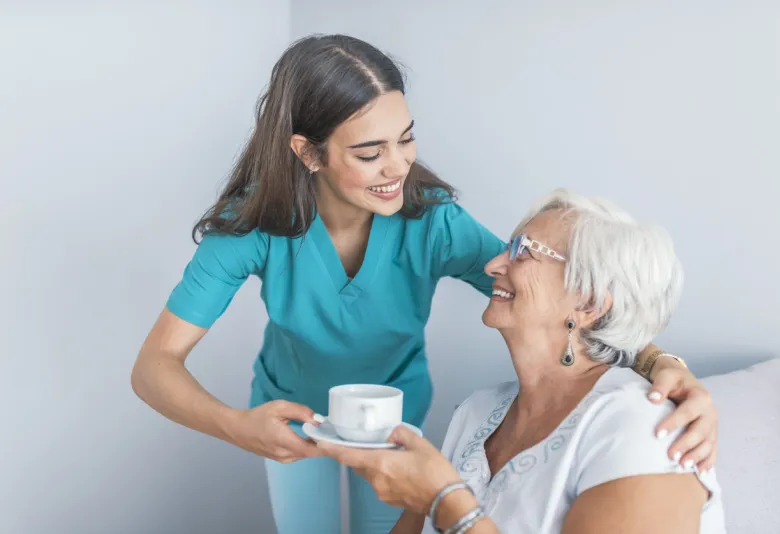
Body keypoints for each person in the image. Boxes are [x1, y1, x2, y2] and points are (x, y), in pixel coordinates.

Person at [130, 35, 719, 534]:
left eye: (405, 138)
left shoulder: (432, 221)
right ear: (308, 153)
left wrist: (660, 359)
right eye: (370, 152)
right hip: (290, 410)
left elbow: (559, 292)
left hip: (394, 412)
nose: (398, 166)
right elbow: (155, 366)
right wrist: (237, 426)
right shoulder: (253, 226)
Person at [316, 189, 726, 534]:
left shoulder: (646, 428)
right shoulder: (475, 414)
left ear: (587, 302)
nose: (494, 264)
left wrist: (446, 501)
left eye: (523, 252)